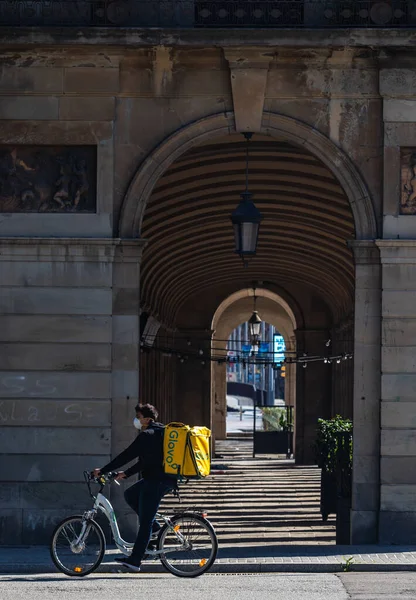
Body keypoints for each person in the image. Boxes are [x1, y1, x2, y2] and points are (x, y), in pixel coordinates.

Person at [93, 403, 174, 572]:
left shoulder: (147, 435)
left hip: (156, 482)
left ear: (147, 419)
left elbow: (127, 455)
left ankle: (135, 560)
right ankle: (155, 529)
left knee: (145, 522)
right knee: (130, 494)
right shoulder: (161, 432)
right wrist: (126, 474)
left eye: (138, 417)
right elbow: (146, 461)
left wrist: (103, 470)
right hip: (161, 479)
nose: (136, 420)